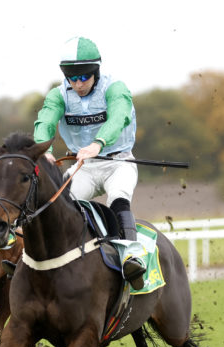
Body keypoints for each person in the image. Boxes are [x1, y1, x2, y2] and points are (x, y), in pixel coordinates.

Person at [33, 36, 147, 289]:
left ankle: (132, 255)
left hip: (118, 162)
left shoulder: (115, 88)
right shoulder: (58, 95)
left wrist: (98, 143)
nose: (78, 84)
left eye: (84, 77)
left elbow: (118, 117)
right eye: (72, 79)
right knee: (60, 206)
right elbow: (45, 123)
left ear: (95, 72)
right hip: (85, 167)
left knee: (118, 197)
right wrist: (45, 150)